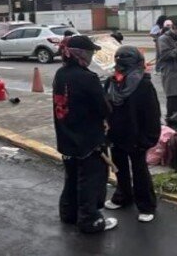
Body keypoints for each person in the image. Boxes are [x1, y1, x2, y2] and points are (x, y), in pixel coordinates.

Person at [52, 35, 117, 233]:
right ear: (80, 54)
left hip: (66, 138)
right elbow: (104, 108)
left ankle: (69, 214)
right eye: (89, 53)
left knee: (71, 179)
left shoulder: (60, 74)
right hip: (88, 141)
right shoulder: (87, 77)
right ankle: (90, 221)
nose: (91, 56)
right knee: (90, 181)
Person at [103, 46, 161, 223]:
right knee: (120, 169)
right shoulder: (112, 81)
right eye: (118, 58)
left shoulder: (143, 84)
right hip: (117, 134)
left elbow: (152, 113)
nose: (120, 62)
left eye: (124, 58)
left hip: (137, 136)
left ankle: (146, 204)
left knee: (140, 171)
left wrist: (148, 138)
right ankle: (123, 196)